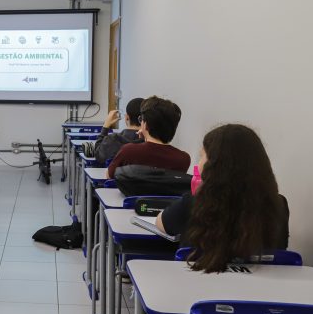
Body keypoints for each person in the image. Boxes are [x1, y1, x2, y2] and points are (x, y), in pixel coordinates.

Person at [157, 124, 290, 273]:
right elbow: (279, 249)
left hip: (199, 286)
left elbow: (162, 223)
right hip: (261, 292)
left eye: (202, 156)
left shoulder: (194, 203)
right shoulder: (279, 205)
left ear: (214, 164)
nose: (198, 162)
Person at [107, 95, 190, 178]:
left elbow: (109, 175)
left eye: (141, 120)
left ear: (145, 125)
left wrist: (143, 140)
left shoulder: (128, 151)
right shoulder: (183, 159)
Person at [93, 97, 144, 165]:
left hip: (113, 175)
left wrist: (105, 126)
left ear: (127, 117)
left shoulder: (112, 139)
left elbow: (98, 156)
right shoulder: (151, 142)